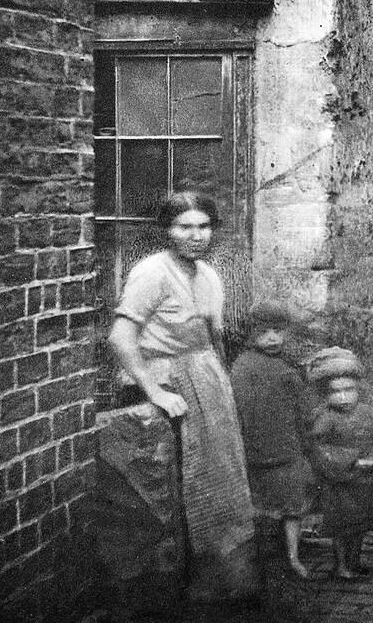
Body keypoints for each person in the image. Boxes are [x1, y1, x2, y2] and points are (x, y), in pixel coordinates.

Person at [108, 191, 258, 603]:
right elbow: (121, 339)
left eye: (203, 226)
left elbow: (215, 339)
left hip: (206, 378)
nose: (195, 236)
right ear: (167, 231)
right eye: (184, 227)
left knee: (221, 475)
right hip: (165, 377)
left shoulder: (209, 275)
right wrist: (153, 390)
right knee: (180, 480)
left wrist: (222, 386)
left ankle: (223, 579)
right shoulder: (151, 272)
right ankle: (175, 583)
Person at [230, 301, 322, 580]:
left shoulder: (282, 368)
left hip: (284, 448)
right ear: (252, 333)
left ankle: (292, 554)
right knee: (269, 504)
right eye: (265, 332)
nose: (273, 338)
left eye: (278, 332)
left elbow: (303, 409)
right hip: (258, 448)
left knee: (288, 505)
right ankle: (274, 555)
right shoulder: (244, 368)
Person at [307, 347, 373, 579]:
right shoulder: (326, 417)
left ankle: (355, 561)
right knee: (342, 526)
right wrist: (349, 460)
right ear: (326, 394)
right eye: (335, 392)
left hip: (366, 481)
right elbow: (318, 447)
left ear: (357, 389)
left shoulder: (366, 412)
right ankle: (341, 564)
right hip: (343, 482)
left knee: (359, 524)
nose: (343, 397)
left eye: (348, 390)